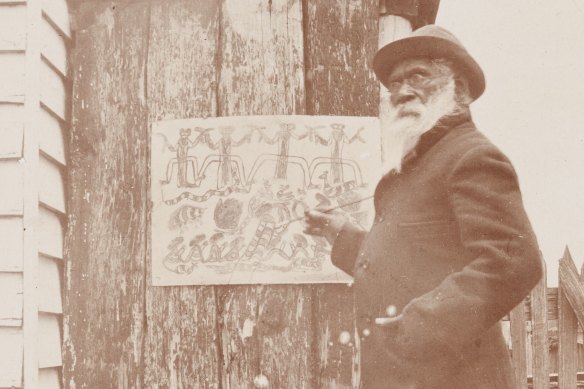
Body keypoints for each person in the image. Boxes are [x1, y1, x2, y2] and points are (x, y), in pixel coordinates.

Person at [304, 25, 543, 389]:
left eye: (417, 75)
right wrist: (342, 235)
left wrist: (420, 325)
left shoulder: (472, 156)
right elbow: (412, 263)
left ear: (458, 88)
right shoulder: (417, 166)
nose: (401, 91)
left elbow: (513, 261)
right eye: (393, 84)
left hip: (454, 377)